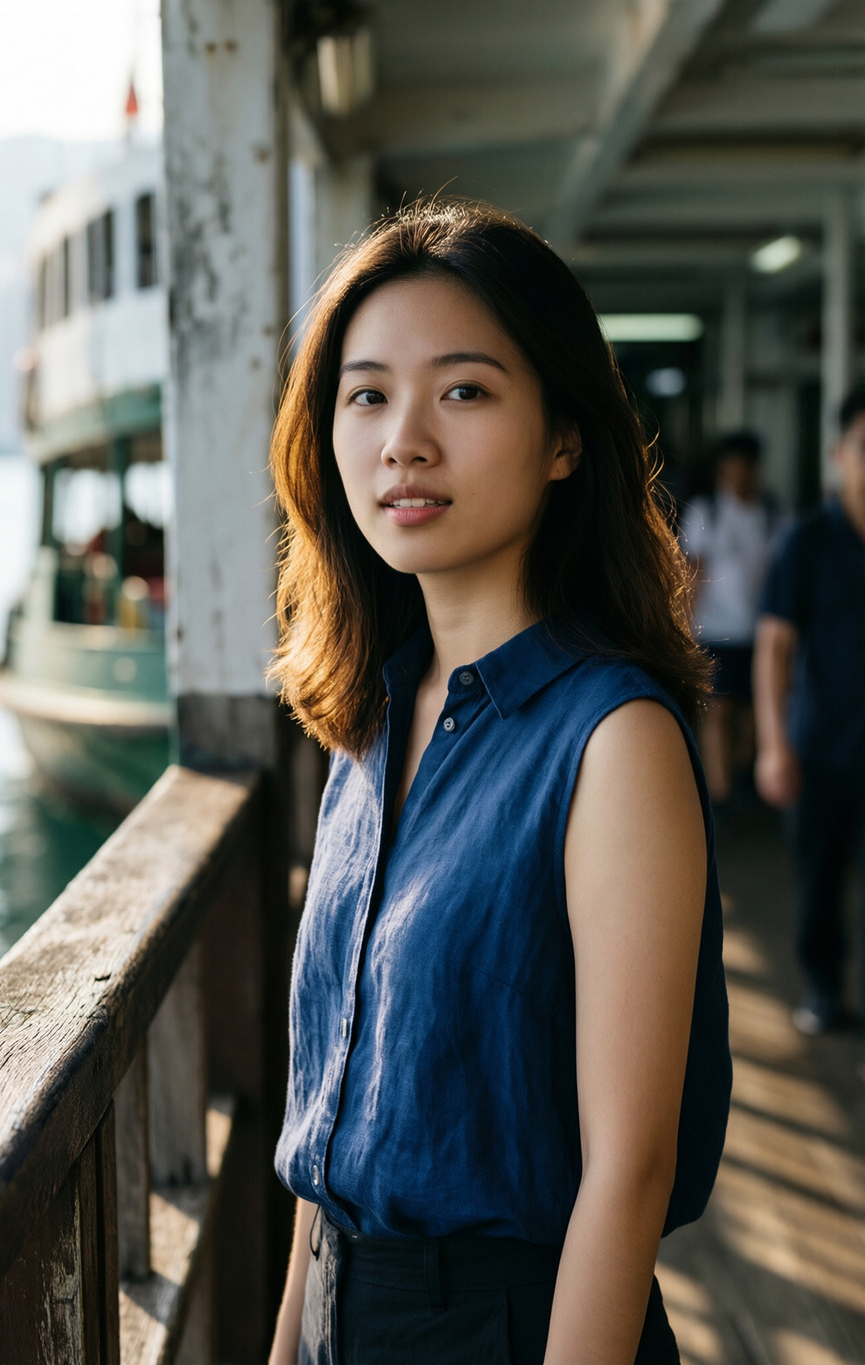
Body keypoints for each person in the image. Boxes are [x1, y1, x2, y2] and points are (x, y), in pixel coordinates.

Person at [267, 202, 731, 1365]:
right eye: (366, 394)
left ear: (565, 437)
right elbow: (329, 1128)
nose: (402, 442)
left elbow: (628, 1173)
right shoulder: (368, 723)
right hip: (337, 1313)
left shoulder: (609, 741)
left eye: (462, 392)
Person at [755, 386, 865, 1037]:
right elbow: (774, 644)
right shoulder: (809, 540)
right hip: (822, 742)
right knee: (821, 879)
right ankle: (824, 988)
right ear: (839, 454)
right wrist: (773, 744)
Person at [679, 432, 786, 806]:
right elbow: (693, 573)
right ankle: (721, 795)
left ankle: (743, 778)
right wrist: (684, 630)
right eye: (731, 468)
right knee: (718, 712)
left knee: (752, 713)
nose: (738, 476)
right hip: (715, 630)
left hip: (760, 631)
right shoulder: (706, 512)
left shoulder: (774, 515)